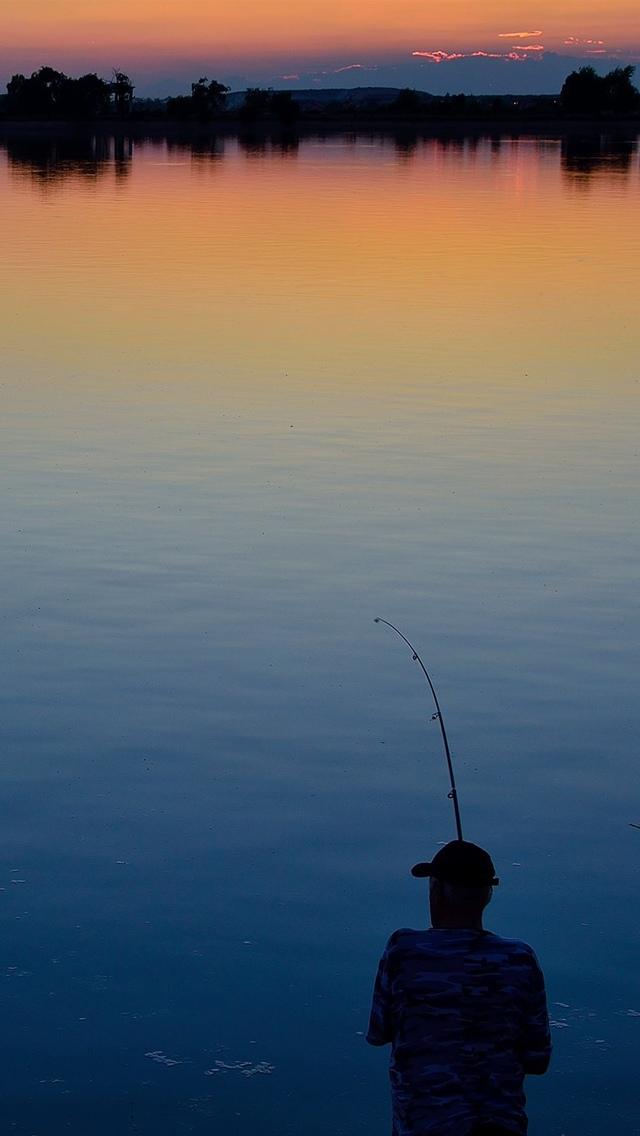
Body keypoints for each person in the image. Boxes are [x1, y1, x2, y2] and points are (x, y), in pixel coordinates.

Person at [367, 840, 551, 1136]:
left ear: (436, 890)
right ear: (487, 895)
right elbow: (537, 1059)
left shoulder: (404, 951)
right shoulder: (520, 960)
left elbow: (378, 1033)